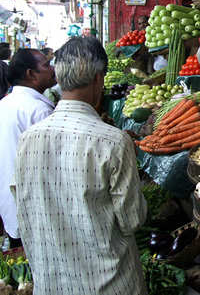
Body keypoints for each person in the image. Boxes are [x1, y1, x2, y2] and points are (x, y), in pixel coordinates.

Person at [13, 37, 147, 295]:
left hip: (51, 283)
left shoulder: (27, 139)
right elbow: (132, 220)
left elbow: (25, 210)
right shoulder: (113, 141)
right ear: (99, 79)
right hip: (109, 285)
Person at [0, 49, 56, 247]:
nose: (52, 69)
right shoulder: (38, 110)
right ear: (30, 74)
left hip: (9, 206)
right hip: (35, 210)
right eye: (46, 65)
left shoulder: (4, 104)